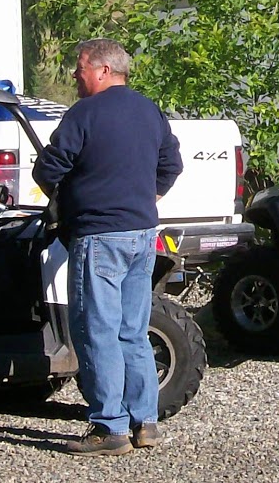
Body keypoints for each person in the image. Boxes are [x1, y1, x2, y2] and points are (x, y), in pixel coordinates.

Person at [32, 39, 183, 457]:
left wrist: (62, 196)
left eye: (80, 68)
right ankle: (145, 422)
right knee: (132, 330)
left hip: (99, 236)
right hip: (141, 235)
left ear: (102, 70)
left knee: (96, 329)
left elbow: (50, 165)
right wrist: (146, 197)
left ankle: (108, 427)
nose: (75, 76)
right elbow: (172, 164)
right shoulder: (148, 111)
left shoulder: (84, 114)